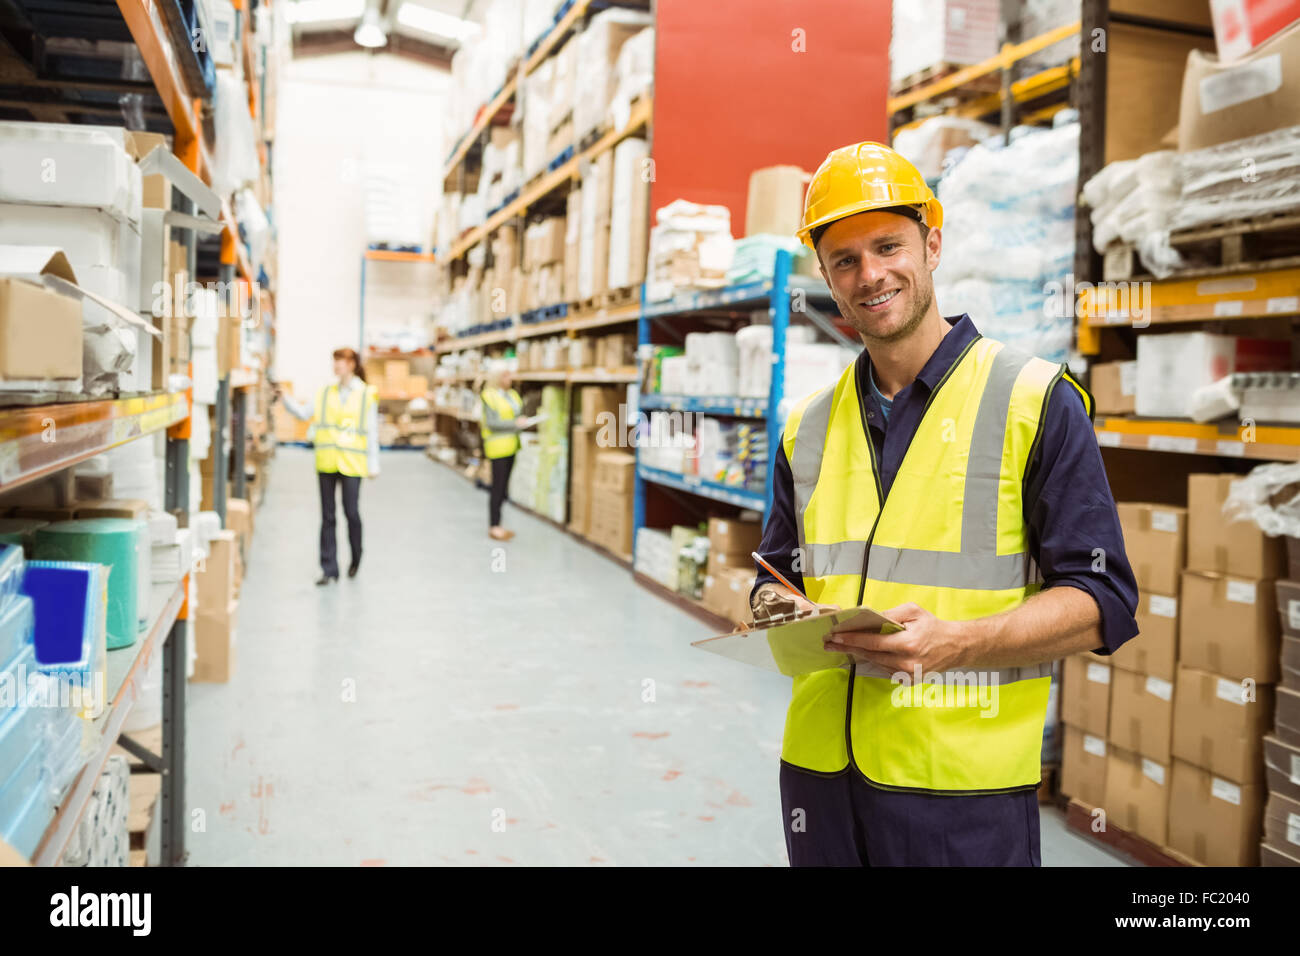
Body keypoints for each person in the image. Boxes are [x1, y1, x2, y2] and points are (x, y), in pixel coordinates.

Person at [750, 142, 1139, 867]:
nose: (871, 275)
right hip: (820, 780)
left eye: (888, 246)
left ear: (932, 244)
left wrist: (957, 643)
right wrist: (780, 611)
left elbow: (1103, 599)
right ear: (828, 281)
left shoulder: (1034, 402)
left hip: (960, 793)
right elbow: (774, 579)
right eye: (844, 260)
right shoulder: (805, 427)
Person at [278, 347, 380, 585]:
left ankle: (356, 557)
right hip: (326, 461)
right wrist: (284, 398)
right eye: (335, 361)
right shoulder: (324, 393)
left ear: (352, 364)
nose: (336, 366)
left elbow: (371, 431)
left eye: (341, 361)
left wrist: (373, 464)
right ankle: (329, 569)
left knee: (351, 513)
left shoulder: (366, 394)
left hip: (353, 463)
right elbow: (304, 413)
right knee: (328, 516)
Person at [479, 365, 537, 541]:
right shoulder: (489, 396)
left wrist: (522, 422)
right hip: (497, 448)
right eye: (505, 375)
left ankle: (498, 524)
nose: (509, 378)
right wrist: (515, 424)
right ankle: (494, 525)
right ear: (497, 377)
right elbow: (491, 423)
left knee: (503, 488)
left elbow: (517, 414)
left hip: (512, 446)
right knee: (497, 488)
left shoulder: (513, 395)